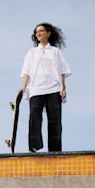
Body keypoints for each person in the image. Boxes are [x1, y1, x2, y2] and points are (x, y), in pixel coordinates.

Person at [20, 22, 71, 152]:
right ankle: (33, 147)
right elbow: (26, 71)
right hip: (36, 89)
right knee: (34, 117)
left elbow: (63, 71)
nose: (38, 33)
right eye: (36, 32)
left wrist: (63, 88)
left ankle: (54, 150)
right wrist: (24, 87)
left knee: (55, 120)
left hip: (54, 88)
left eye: (41, 31)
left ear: (48, 33)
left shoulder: (56, 52)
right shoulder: (31, 53)